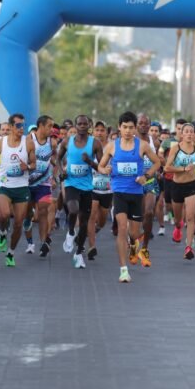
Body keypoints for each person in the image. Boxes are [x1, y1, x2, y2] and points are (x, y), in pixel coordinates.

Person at [98, 111, 162, 283]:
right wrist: (105, 170)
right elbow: (100, 166)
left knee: (134, 233)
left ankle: (134, 245)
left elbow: (157, 162)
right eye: (124, 127)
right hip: (119, 192)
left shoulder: (142, 146)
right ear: (119, 128)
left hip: (136, 193)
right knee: (122, 228)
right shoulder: (112, 146)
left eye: (131, 127)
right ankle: (123, 270)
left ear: (135, 128)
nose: (127, 130)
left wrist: (146, 176)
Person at [0, 113, 37, 267]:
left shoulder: (28, 143)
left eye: (23, 125)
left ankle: (11, 253)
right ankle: (2, 234)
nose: (22, 129)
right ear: (12, 127)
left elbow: (34, 164)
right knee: (4, 215)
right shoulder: (0, 143)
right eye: (19, 126)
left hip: (21, 189)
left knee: (18, 224)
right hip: (5, 186)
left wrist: (27, 167)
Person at [56, 115, 104, 269]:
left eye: (85, 124)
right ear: (75, 126)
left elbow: (101, 168)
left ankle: (78, 254)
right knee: (73, 209)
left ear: (89, 125)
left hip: (87, 187)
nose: (82, 126)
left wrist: (90, 162)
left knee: (84, 223)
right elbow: (58, 158)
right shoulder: (67, 141)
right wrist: (61, 172)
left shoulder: (95, 143)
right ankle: (70, 232)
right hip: (71, 183)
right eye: (79, 124)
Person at [164, 122, 195, 260]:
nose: (190, 134)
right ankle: (178, 228)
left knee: (190, 217)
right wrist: (183, 169)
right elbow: (167, 168)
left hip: (192, 185)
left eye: (192, 131)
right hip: (177, 186)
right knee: (178, 218)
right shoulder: (176, 148)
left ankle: (189, 246)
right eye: (187, 131)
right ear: (182, 133)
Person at [27, 115, 57, 258]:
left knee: (43, 210)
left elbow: (56, 159)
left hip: (44, 182)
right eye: (49, 126)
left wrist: (55, 176)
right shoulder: (29, 139)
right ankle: (29, 242)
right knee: (26, 215)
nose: (52, 129)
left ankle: (44, 242)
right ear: (40, 125)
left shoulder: (52, 143)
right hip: (27, 182)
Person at [136, 113, 161, 266]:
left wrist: (158, 167)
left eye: (147, 123)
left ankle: (144, 247)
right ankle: (133, 240)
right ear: (136, 124)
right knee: (137, 217)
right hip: (134, 182)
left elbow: (157, 161)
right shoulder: (130, 140)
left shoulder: (155, 142)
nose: (144, 125)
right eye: (141, 123)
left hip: (150, 181)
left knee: (149, 212)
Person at [88, 121, 112, 260]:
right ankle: (92, 246)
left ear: (106, 133)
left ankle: (96, 229)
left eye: (102, 130)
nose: (99, 132)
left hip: (108, 189)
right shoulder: (89, 146)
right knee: (91, 215)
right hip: (92, 186)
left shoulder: (112, 147)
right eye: (97, 130)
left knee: (102, 219)